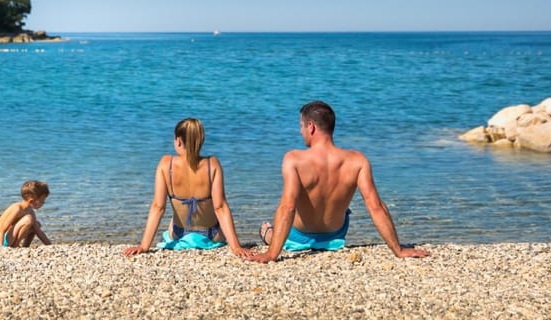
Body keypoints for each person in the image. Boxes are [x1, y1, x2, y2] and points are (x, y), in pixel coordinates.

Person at [247, 101, 429, 262]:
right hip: (334, 237)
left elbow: (288, 207)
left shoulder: (294, 159)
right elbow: (375, 206)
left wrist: (271, 254)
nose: (300, 131)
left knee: (270, 223)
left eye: (301, 126)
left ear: (311, 127)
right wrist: (398, 250)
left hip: (296, 238)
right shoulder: (357, 160)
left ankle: (269, 234)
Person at [124, 118, 249, 258]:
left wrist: (144, 246)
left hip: (179, 233)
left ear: (178, 141)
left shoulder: (166, 164)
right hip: (211, 234)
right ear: (200, 141)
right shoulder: (212, 164)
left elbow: (158, 207)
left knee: (173, 221)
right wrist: (236, 247)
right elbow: (220, 208)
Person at [0, 180, 52, 247]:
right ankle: (15, 245)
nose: (43, 203)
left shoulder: (30, 210)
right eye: (42, 201)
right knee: (29, 219)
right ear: (31, 201)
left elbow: (38, 231)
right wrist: (0, 245)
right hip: (0, 238)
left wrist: (49, 245)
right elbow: (2, 229)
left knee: (37, 224)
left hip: (8, 237)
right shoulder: (17, 208)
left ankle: (25, 246)